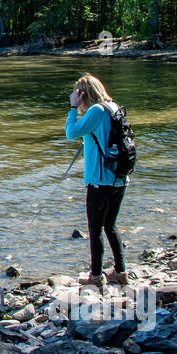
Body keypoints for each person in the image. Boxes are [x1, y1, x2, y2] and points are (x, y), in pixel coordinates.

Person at [64, 73, 128, 289]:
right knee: (110, 225)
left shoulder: (95, 111)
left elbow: (70, 133)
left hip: (100, 179)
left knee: (95, 228)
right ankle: (120, 271)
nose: (76, 99)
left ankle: (96, 276)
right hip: (120, 178)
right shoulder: (113, 107)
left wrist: (72, 109)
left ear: (83, 95)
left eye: (77, 95)